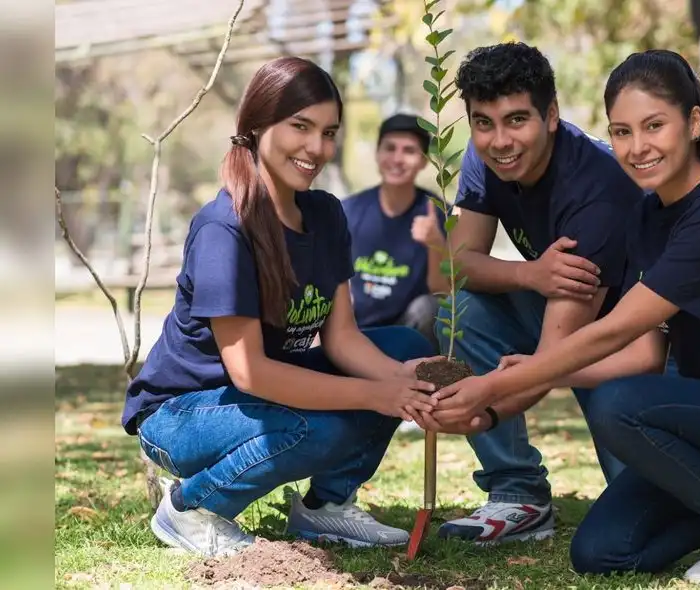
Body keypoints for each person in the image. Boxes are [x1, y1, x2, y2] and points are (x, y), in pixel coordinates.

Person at [421, 49, 700, 584]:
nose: (637, 148)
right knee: (601, 554)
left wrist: (491, 392)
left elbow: (616, 331)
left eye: (653, 126)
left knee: (620, 406)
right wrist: (500, 398)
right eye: (622, 131)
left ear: (693, 123)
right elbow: (644, 352)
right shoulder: (649, 210)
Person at [120, 56, 441, 558]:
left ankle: (325, 506)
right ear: (257, 124)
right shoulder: (224, 228)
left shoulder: (325, 213)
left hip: (260, 393)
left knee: (405, 346)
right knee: (318, 424)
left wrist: (405, 384)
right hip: (182, 414)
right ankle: (191, 509)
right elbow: (249, 374)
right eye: (300, 127)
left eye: (329, 132)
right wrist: (377, 394)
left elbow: (342, 338)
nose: (317, 148)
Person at [427, 42, 648, 544]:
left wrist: (481, 409)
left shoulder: (597, 188)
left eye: (516, 120)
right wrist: (530, 275)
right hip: (566, 314)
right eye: (483, 122)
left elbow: (556, 355)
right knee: (463, 312)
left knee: (641, 520)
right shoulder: (487, 159)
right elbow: (457, 266)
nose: (500, 140)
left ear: (551, 115)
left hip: (635, 341)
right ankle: (517, 493)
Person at [343, 114, 447, 350]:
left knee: (431, 307)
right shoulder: (347, 211)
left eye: (409, 151)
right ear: (377, 153)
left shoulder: (438, 213)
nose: (397, 159)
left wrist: (435, 243)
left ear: (423, 161)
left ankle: (426, 381)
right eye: (389, 148)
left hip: (405, 335)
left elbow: (442, 292)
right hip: (354, 334)